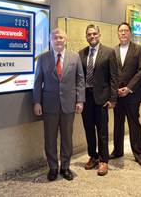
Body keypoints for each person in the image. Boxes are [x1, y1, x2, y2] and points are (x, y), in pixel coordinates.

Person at [33, 28, 85, 181]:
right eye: (55, 37)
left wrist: (80, 100)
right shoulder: (43, 58)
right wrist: (37, 102)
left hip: (69, 104)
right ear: (51, 40)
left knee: (67, 138)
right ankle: (53, 167)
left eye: (61, 37)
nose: (58, 40)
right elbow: (37, 82)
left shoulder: (75, 57)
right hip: (49, 105)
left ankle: (65, 167)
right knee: (50, 138)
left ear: (66, 40)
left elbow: (80, 81)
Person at [78, 24, 118, 176]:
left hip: (101, 98)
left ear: (99, 35)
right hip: (85, 97)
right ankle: (93, 156)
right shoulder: (81, 53)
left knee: (102, 130)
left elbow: (114, 77)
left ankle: (104, 160)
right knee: (88, 128)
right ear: (86, 36)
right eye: (89, 34)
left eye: (94, 34)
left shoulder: (109, 52)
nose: (92, 36)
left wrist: (113, 98)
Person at [110, 22, 141, 166]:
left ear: (130, 33)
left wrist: (129, 88)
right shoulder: (113, 50)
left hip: (132, 95)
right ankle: (117, 150)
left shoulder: (139, 49)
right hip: (117, 95)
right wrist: (115, 91)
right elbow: (112, 72)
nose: (123, 33)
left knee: (134, 124)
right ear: (118, 34)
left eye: (126, 30)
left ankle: (139, 154)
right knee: (117, 124)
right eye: (121, 31)